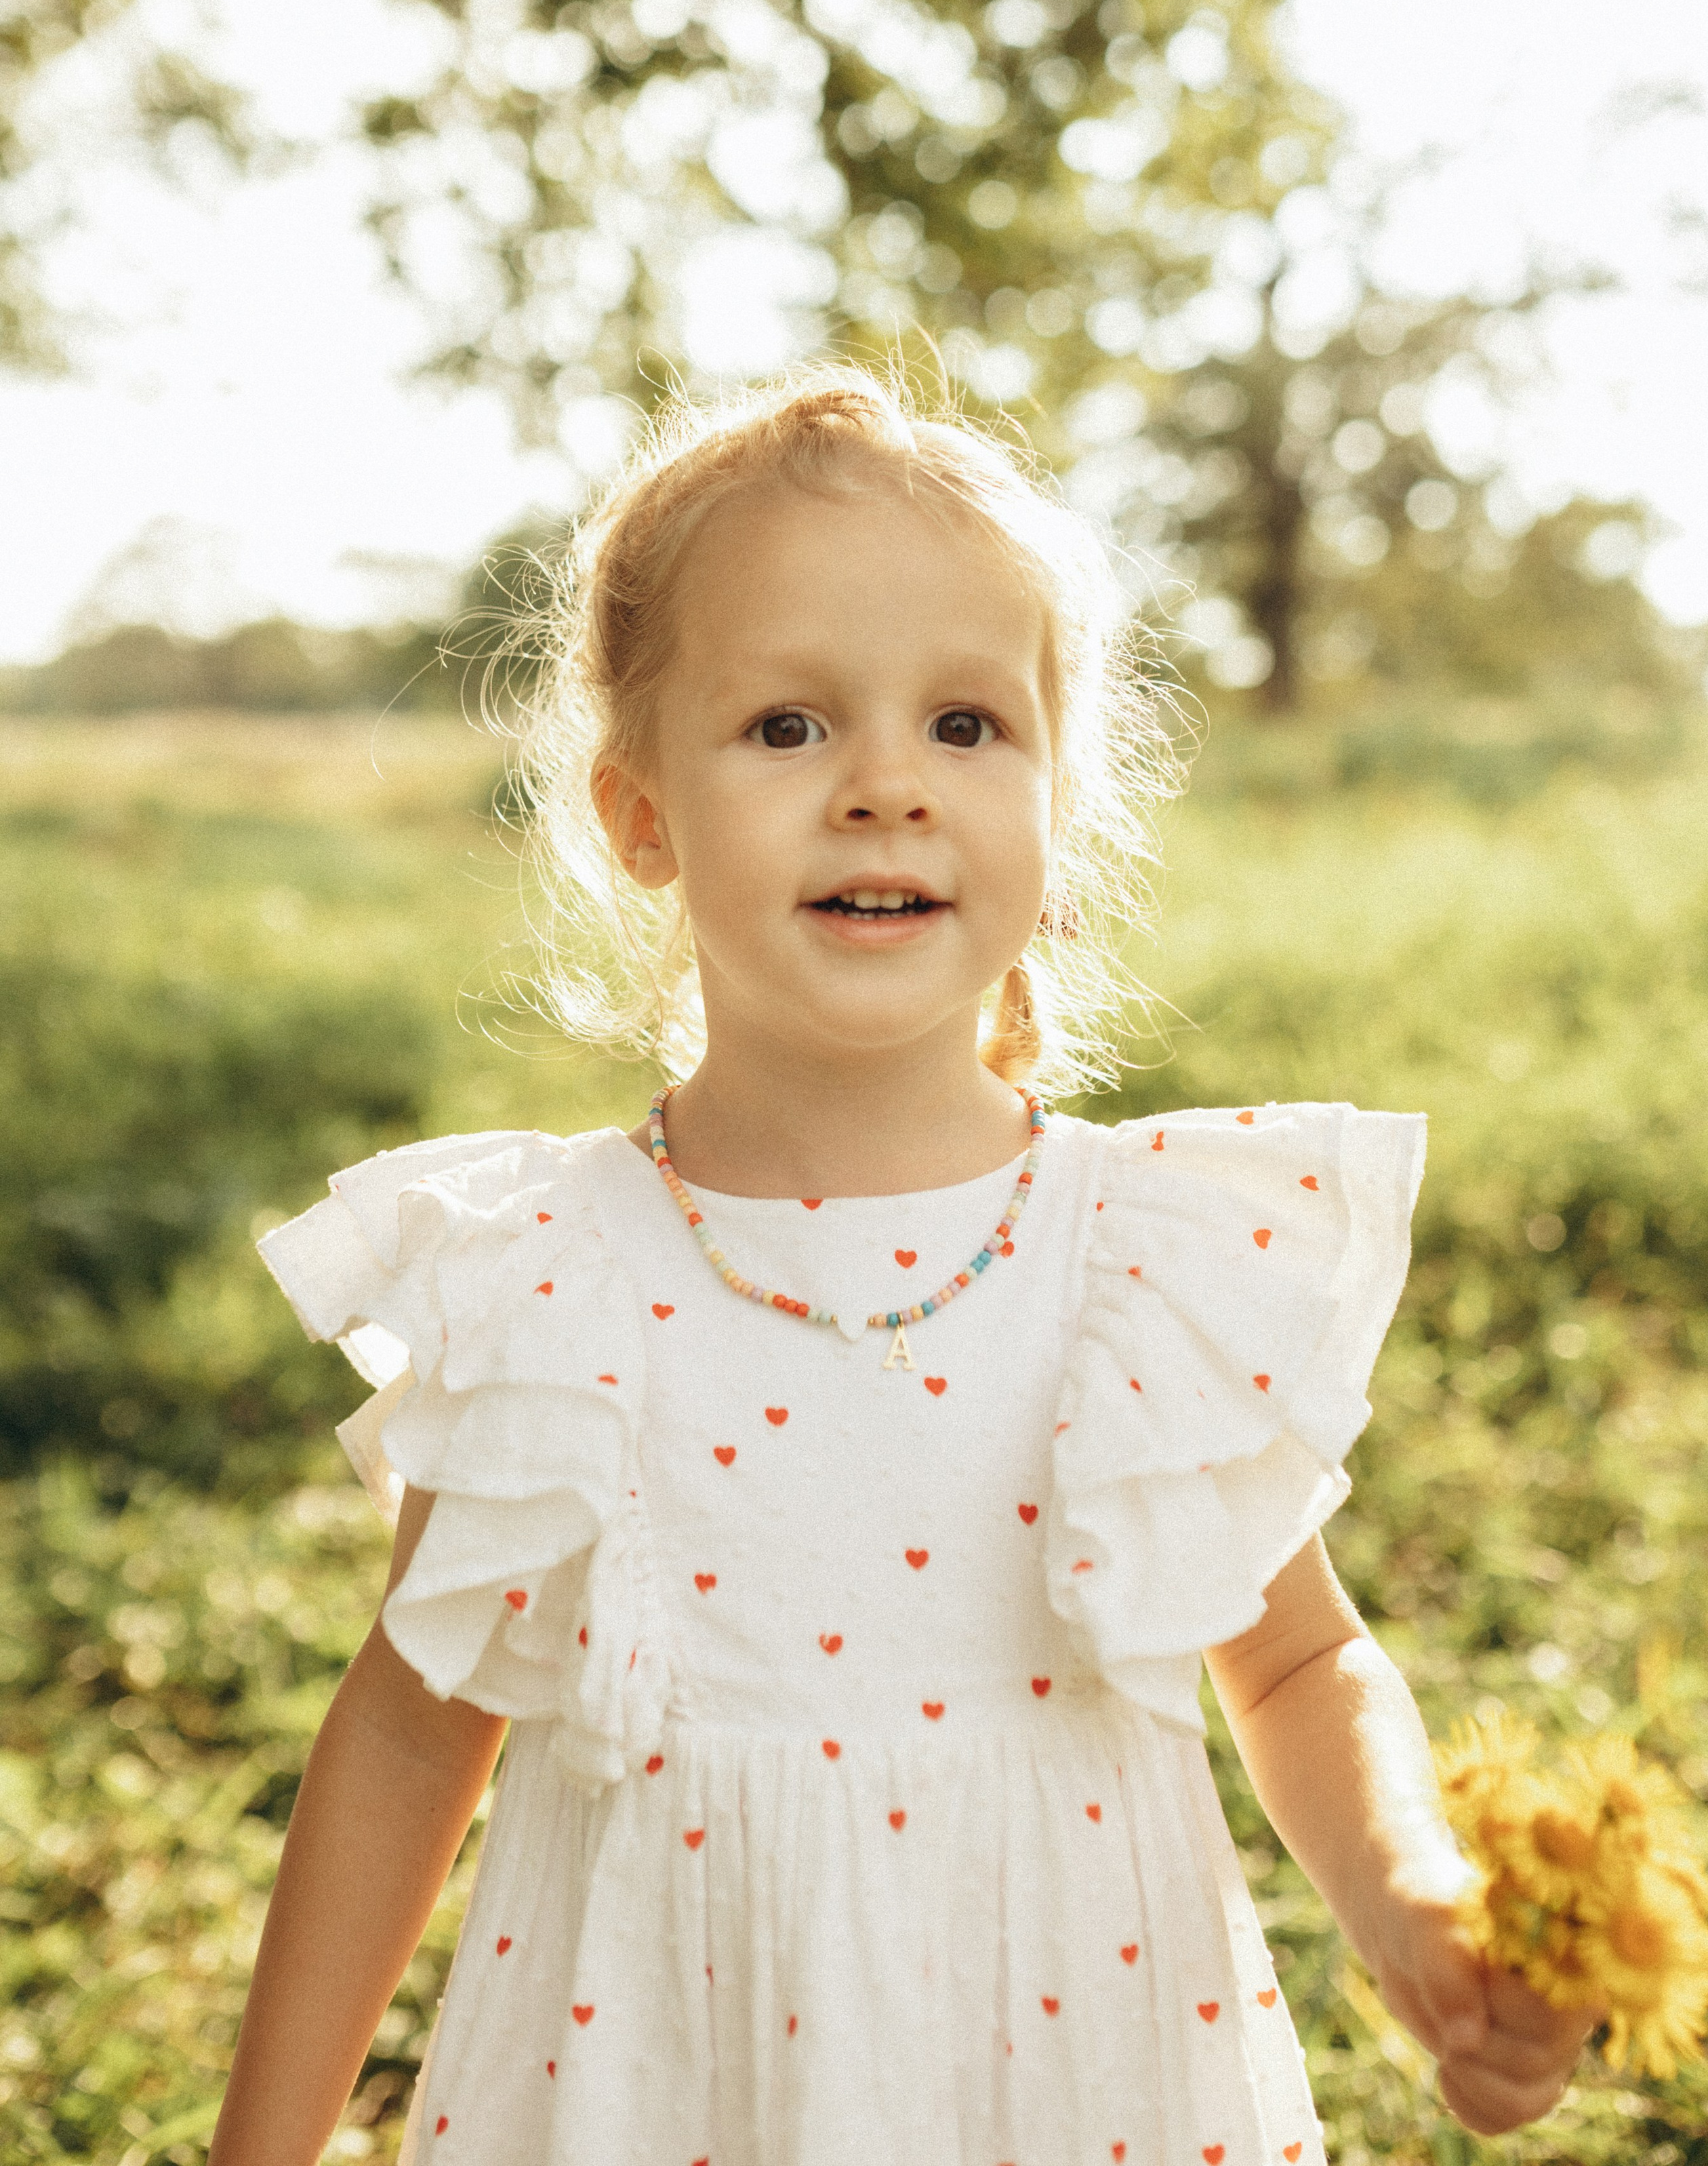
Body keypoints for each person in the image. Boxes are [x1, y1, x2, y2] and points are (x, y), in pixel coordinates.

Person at [209, 370, 1593, 2166]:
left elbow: (1298, 1664)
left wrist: (1417, 1908)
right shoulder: (549, 1273)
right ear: (640, 817)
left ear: (1060, 809)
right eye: (787, 727)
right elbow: (409, 1739)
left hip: (1075, 2081)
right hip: (657, 2085)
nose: (883, 789)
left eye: (965, 726)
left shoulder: (1137, 1263)